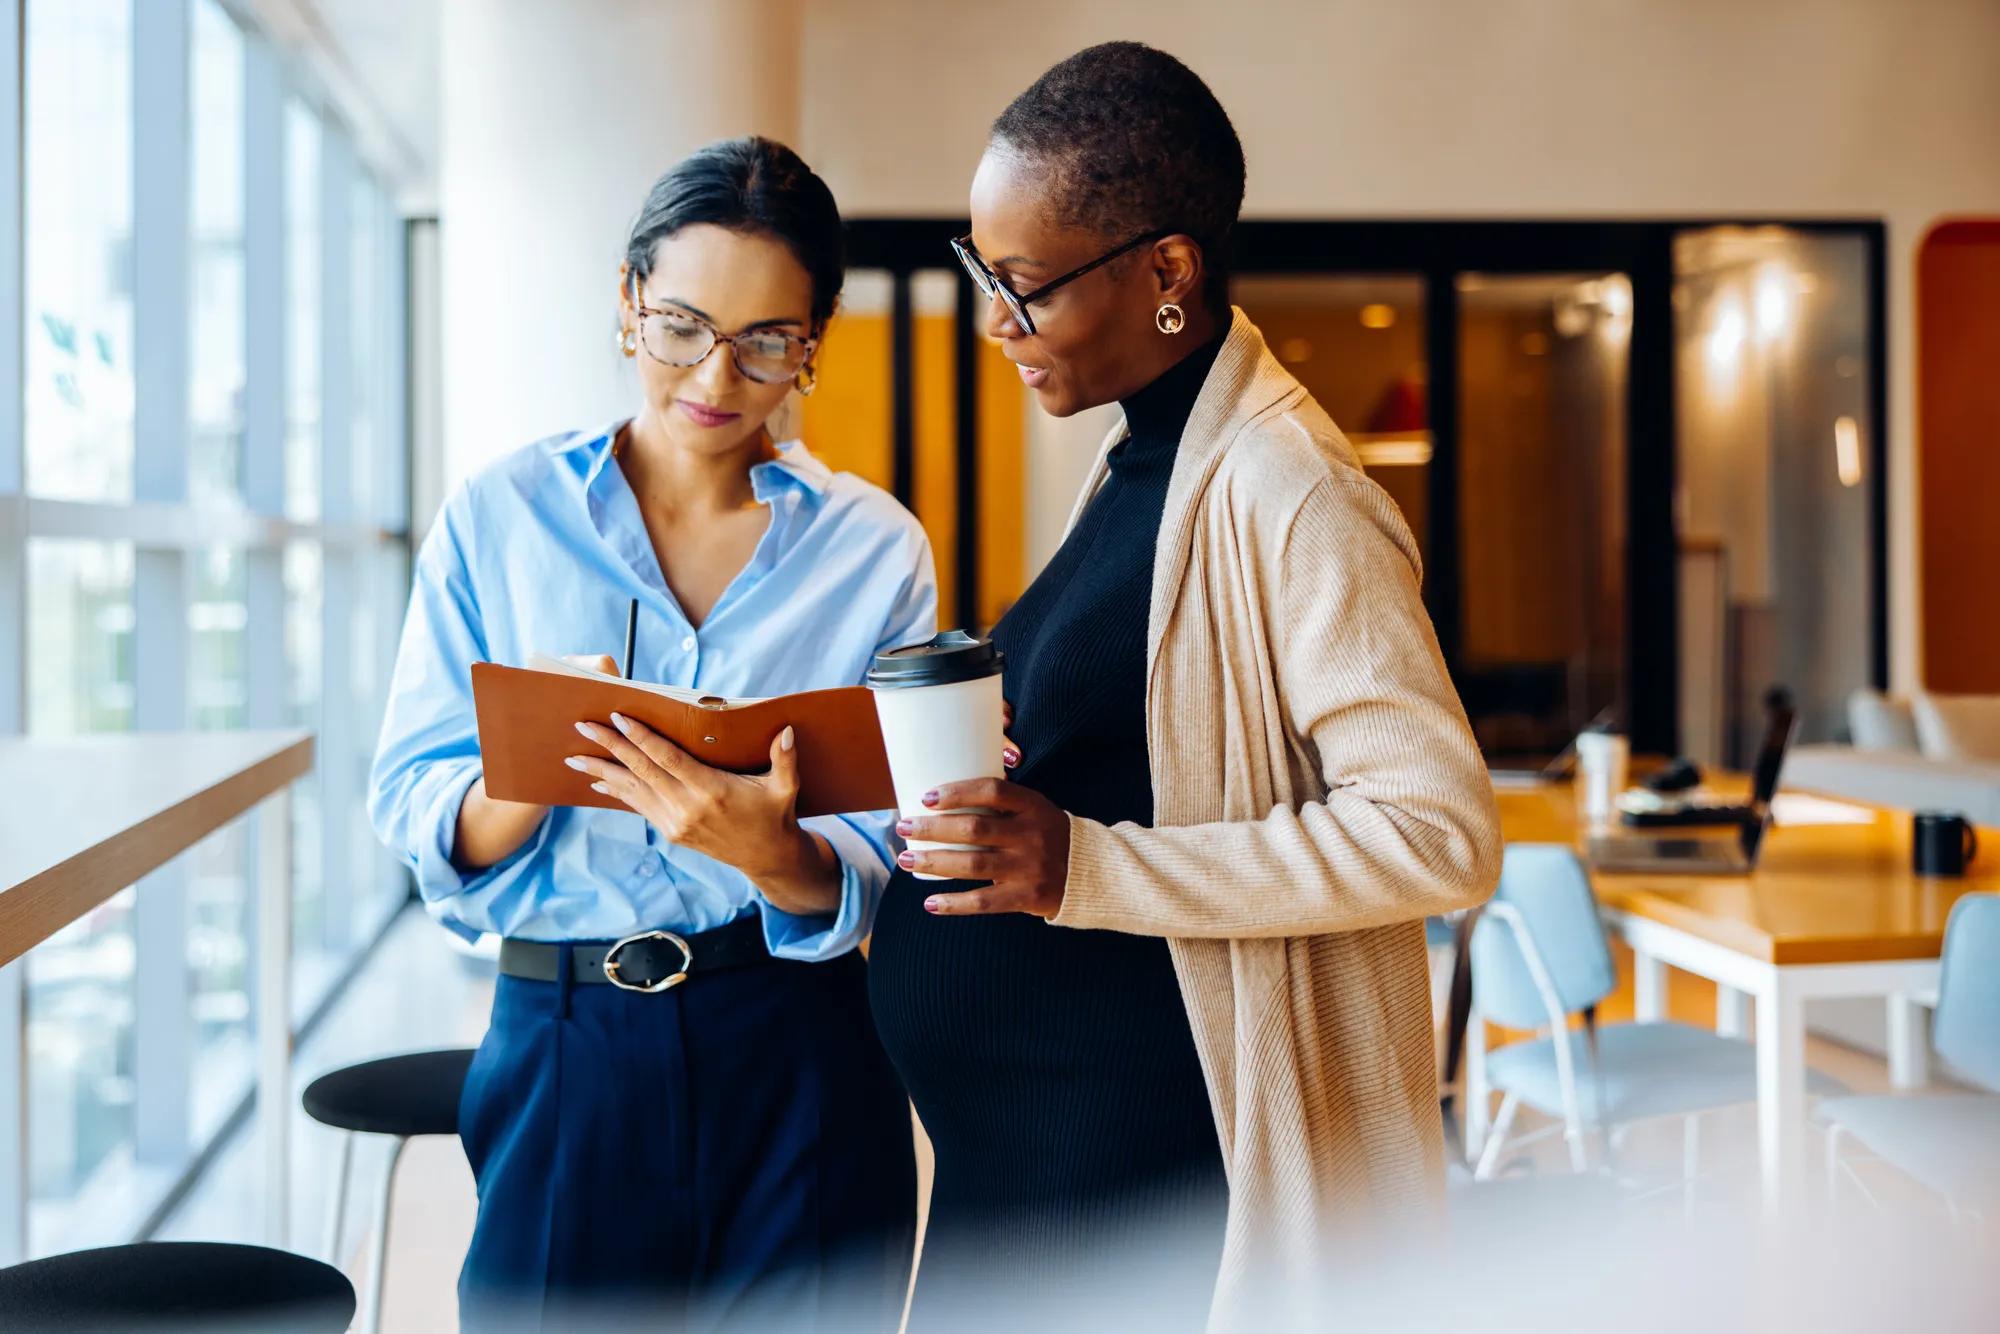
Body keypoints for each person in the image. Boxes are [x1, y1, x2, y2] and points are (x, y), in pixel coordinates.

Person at [866, 44, 1501, 1330]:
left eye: (1025, 284)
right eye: (978, 269)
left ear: (1166, 271)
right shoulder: (1140, 462)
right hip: (1030, 1163)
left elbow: (1437, 832)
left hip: (1146, 1182)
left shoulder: (1293, 492)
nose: (996, 320)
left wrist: (1084, 865)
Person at [369, 136, 931, 1331]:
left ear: (811, 343)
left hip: (800, 1050)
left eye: (766, 340)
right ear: (626, 303)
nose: (715, 373)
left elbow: (901, 842)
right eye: (680, 323)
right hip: (568, 1044)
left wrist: (770, 851)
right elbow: (415, 799)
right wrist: (534, 767)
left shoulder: (873, 548)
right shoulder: (498, 516)